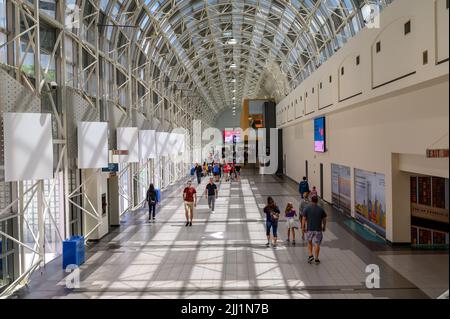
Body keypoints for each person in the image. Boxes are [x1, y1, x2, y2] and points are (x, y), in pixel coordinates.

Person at [302, 196, 327, 264]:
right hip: (318, 229)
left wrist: (303, 227)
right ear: (317, 201)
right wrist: (324, 226)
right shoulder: (321, 209)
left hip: (310, 229)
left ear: (311, 200)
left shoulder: (307, 208)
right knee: (317, 244)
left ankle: (310, 255)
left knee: (309, 242)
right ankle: (316, 259)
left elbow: (303, 218)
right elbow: (324, 219)